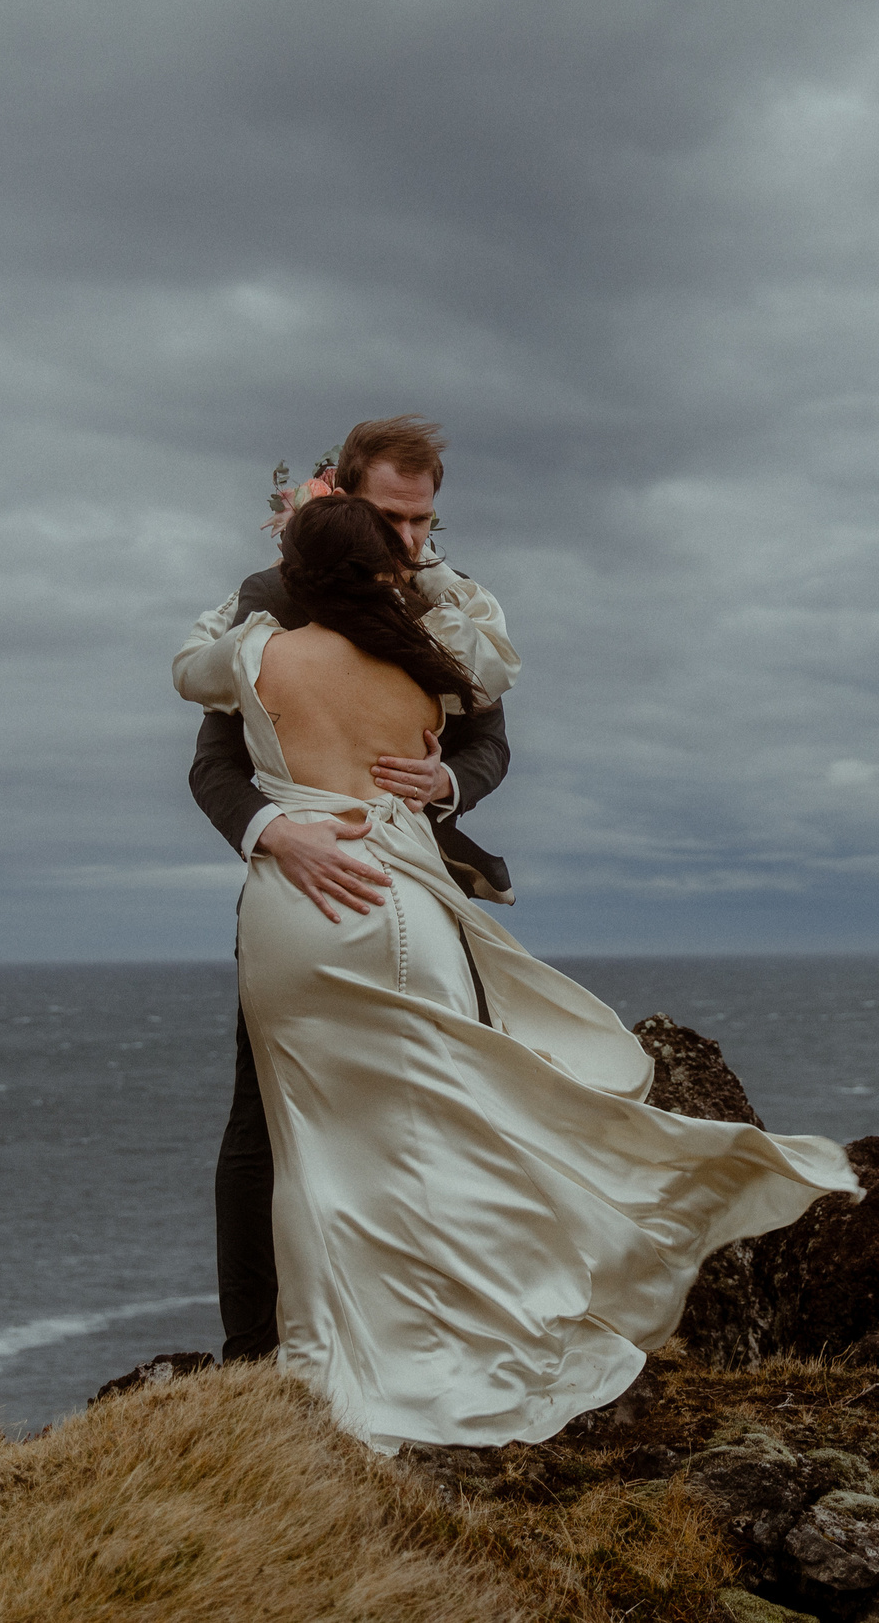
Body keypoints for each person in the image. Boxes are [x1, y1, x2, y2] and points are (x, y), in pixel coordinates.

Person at [171, 484, 856, 1451]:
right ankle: (473, 1322)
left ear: (295, 572)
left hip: (308, 910)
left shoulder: (257, 652)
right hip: (411, 906)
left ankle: (322, 1359)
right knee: (445, 1128)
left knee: (315, 1148)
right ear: (383, 566)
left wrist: (280, 556)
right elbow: (485, 668)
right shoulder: (427, 675)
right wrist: (420, 581)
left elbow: (188, 666)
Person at [182, 417, 519, 1364]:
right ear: (339, 497)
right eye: (389, 518)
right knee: (263, 1123)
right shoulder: (272, 598)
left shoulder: (450, 605)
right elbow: (213, 766)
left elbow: (489, 738)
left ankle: (443, 1325)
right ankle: (252, 1352)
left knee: (456, 1092)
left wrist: (447, 783)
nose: (408, 545)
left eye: (423, 523)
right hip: (302, 880)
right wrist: (273, 829)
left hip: (422, 880)